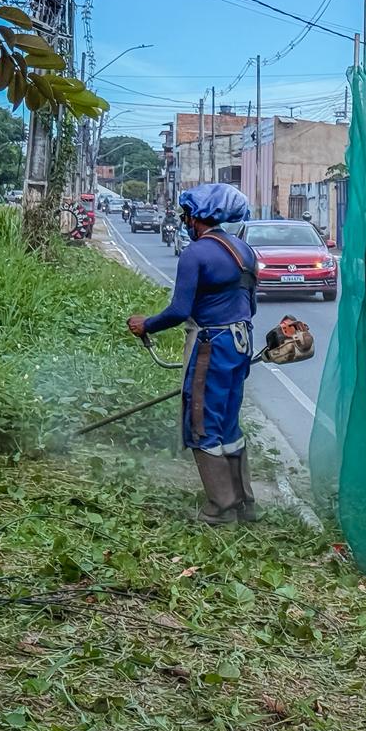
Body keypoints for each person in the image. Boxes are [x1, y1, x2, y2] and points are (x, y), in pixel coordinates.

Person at [126, 184, 259, 525]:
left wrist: (147, 325)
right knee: (228, 421)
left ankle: (220, 506)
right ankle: (245, 501)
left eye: (186, 214)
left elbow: (179, 309)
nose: (184, 220)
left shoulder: (196, 254)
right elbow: (251, 307)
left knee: (201, 422)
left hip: (210, 347)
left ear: (197, 217)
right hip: (241, 343)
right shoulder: (244, 250)